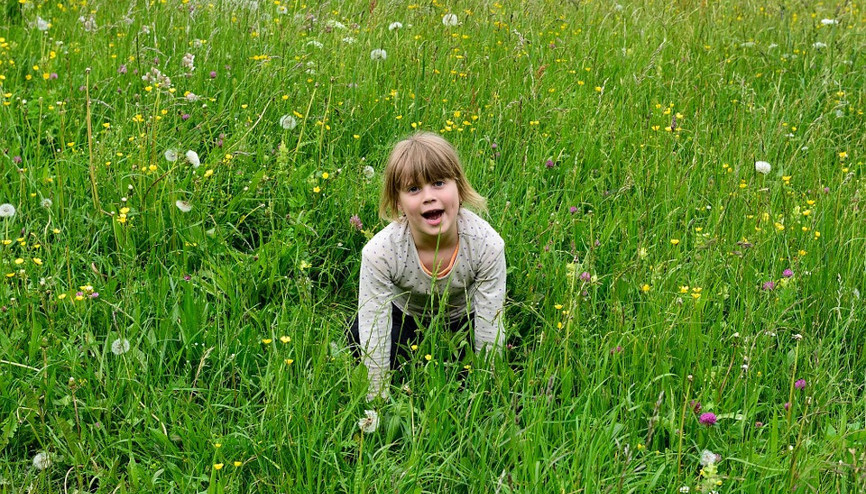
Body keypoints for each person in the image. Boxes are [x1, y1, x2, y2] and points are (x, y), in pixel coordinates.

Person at [349, 132, 506, 400]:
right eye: (413, 189)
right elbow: (375, 327)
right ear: (398, 202)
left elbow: (490, 327)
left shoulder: (486, 245)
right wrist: (377, 402)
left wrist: (486, 392)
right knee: (359, 335)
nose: (428, 197)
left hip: (463, 321)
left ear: (459, 188)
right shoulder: (380, 252)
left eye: (439, 183)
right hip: (407, 318)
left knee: (473, 360)